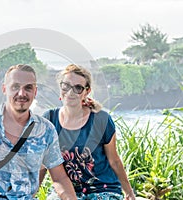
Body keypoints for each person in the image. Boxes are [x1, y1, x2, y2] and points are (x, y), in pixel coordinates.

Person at [0, 64, 77, 200]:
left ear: (35, 92)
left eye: (28, 88)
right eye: (15, 87)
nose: (21, 94)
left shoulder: (46, 130)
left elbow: (60, 178)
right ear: (4, 89)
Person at [40, 64, 136, 200]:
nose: (70, 92)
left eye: (78, 88)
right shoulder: (49, 119)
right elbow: (42, 164)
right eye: (66, 86)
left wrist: (129, 192)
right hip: (67, 190)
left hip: (103, 189)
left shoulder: (101, 120)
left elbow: (114, 160)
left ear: (86, 91)